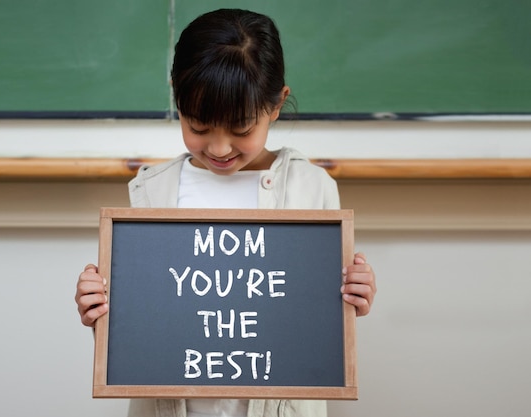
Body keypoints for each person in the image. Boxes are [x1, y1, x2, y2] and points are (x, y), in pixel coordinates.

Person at [75, 8, 376, 417]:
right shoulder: (153, 192)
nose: (219, 148)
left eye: (240, 129)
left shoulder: (312, 189)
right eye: (198, 126)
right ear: (176, 98)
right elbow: (146, 325)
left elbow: (315, 320)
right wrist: (103, 310)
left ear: (275, 105)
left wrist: (352, 294)